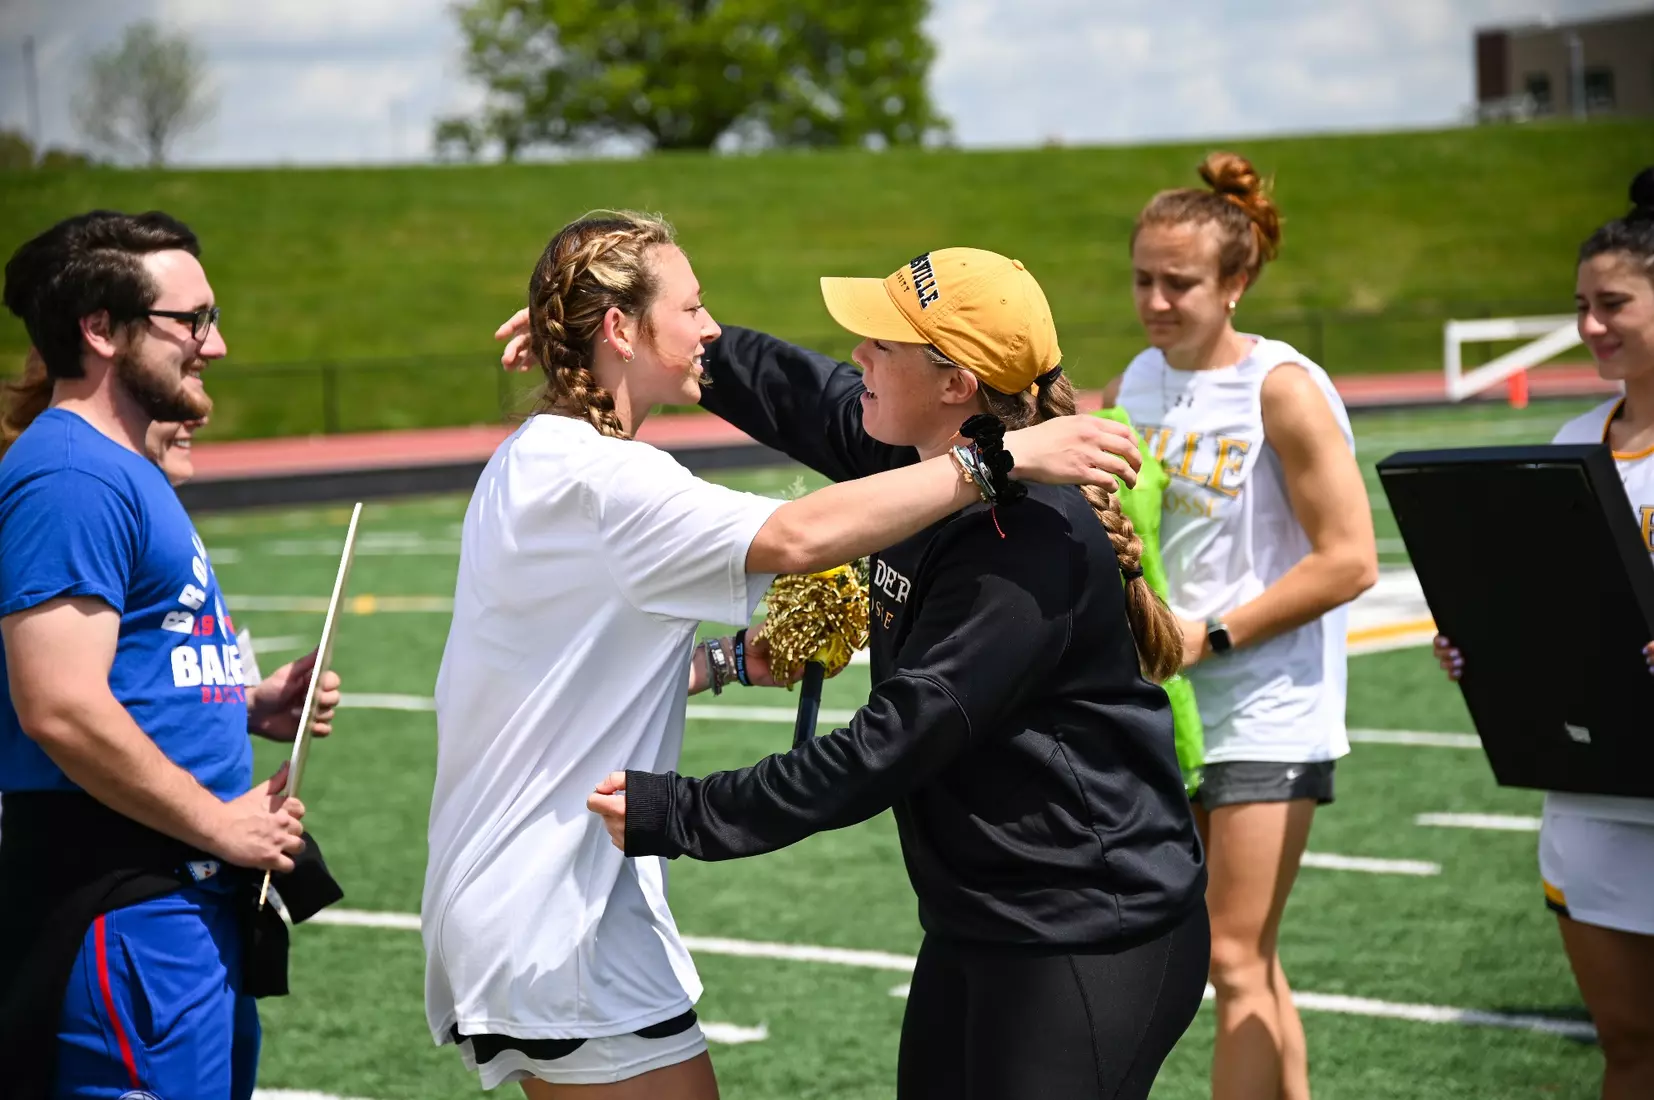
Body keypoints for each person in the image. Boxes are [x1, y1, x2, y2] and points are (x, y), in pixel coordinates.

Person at [423, 213, 1141, 1099]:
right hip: (555, 905)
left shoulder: (543, 458)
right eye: (692, 307)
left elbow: (578, 662)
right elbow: (799, 535)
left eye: (883, 341)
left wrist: (728, 664)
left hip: (557, 899)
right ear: (620, 328)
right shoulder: (604, 478)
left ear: (957, 380)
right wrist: (1000, 460)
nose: (713, 328)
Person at [583, 245, 1209, 1100]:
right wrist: (644, 337)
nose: (859, 358)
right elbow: (797, 392)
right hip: (981, 922)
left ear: (955, 384)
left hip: (1089, 934)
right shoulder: (920, 457)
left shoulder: (1025, 548)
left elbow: (888, 747)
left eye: (882, 342)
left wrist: (684, 812)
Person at [0, 212, 341, 1100]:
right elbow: (59, 705)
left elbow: (131, 672)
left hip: (183, 902)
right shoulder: (71, 476)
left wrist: (246, 704)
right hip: (127, 906)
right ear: (101, 331)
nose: (215, 344)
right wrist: (219, 821)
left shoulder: (122, 470)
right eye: (191, 320)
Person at [1102, 152, 1378, 1100]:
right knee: (1241, 958)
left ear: (1238, 281)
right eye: (1142, 278)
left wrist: (1206, 636)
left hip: (1267, 702)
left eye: (1179, 283)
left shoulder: (1283, 388)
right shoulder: (1136, 377)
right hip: (1171, 707)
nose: (1156, 300)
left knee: (1231, 957)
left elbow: (1349, 559)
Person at [1433, 168, 1654, 1100]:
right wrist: (1485, 644)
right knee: (1630, 1050)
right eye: (1582, 307)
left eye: (1615, 304)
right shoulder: (1570, 438)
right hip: (1592, 786)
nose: (1593, 325)